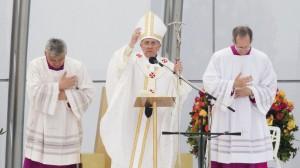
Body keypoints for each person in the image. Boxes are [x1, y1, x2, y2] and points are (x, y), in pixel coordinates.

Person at [100, 11, 191, 168]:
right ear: (141, 44)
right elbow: (117, 67)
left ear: (159, 45)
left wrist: (177, 75)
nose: (149, 46)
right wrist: (130, 44)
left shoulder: (167, 66)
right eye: (146, 42)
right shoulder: (132, 61)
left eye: (153, 43)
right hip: (133, 120)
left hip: (157, 125)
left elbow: (178, 92)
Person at [203, 26, 277, 168]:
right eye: (240, 46)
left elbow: (271, 87)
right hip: (226, 119)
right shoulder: (219, 57)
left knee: (253, 159)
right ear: (233, 41)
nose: (243, 50)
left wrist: (251, 92)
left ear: (251, 41)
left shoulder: (262, 59)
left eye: (246, 46)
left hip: (252, 120)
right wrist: (232, 85)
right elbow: (209, 83)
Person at [23, 38, 94, 168]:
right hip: (41, 127)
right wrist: (60, 86)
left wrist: (60, 94)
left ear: (66, 53)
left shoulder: (77, 66)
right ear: (45, 53)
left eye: (60, 59)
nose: (57, 63)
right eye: (52, 60)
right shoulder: (35, 66)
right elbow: (34, 94)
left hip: (67, 128)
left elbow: (88, 94)